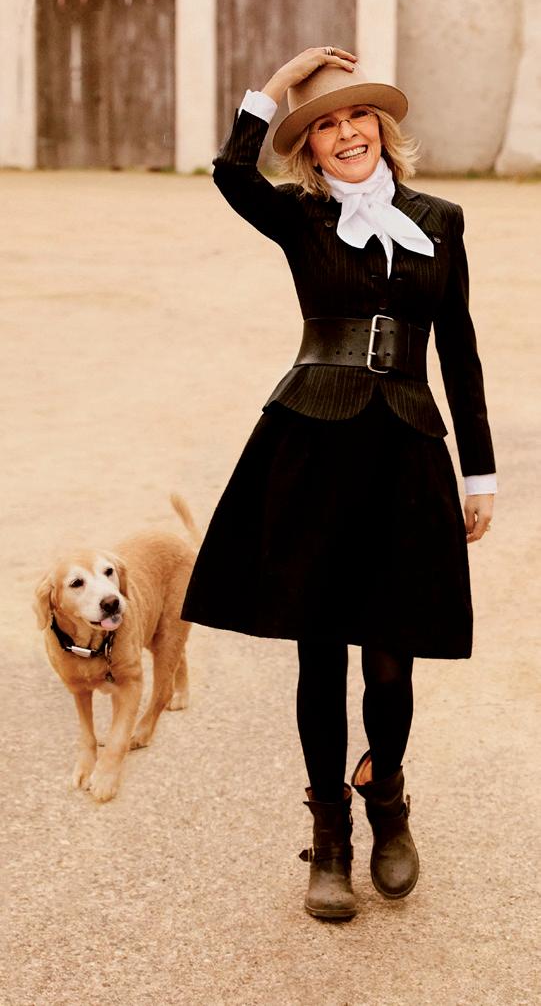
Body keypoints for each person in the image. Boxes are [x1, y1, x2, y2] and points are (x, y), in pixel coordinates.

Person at [181, 47, 496, 921]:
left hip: (405, 451)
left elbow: (460, 352)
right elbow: (230, 172)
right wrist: (278, 82)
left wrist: (478, 472)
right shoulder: (299, 216)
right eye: (323, 125)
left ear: (381, 130)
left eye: (357, 116)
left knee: (391, 658)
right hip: (310, 445)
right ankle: (328, 836)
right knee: (317, 652)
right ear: (309, 149)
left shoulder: (440, 220)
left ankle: (385, 795)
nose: (345, 132)